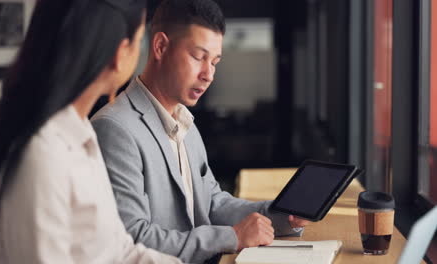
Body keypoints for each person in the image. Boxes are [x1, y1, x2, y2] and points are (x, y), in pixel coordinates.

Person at [91, 0, 311, 263]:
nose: (209, 74)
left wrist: (282, 215)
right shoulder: (115, 129)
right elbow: (134, 239)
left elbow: (212, 203)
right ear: (160, 46)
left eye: (215, 62)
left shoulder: (185, 123)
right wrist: (232, 237)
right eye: (198, 57)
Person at [0, 0, 182, 263]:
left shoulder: (80, 132)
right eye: (140, 41)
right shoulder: (41, 154)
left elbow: (120, 252)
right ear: (120, 53)